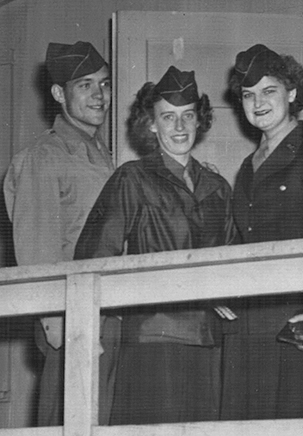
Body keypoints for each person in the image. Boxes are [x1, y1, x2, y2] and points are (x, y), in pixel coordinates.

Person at [74, 66, 232, 424]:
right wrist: (92, 330)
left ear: (199, 120)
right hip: (154, 333)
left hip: (209, 337)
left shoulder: (218, 187)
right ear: (151, 124)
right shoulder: (133, 178)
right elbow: (93, 256)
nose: (179, 127)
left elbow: (230, 256)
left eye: (187, 116)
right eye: (168, 117)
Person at [2, 40, 121, 425]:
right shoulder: (44, 158)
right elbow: (37, 248)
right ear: (59, 93)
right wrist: (56, 322)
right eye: (85, 85)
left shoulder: (104, 156)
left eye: (103, 84)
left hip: (109, 314)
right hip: (74, 322)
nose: (99, 95)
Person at [219, 44, 303, 420]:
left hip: (295, 319)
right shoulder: (247, 166)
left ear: (291, 93)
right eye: (248, 95)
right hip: (248, 323)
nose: (257, 103)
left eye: (268, 91)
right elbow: (240, 239)